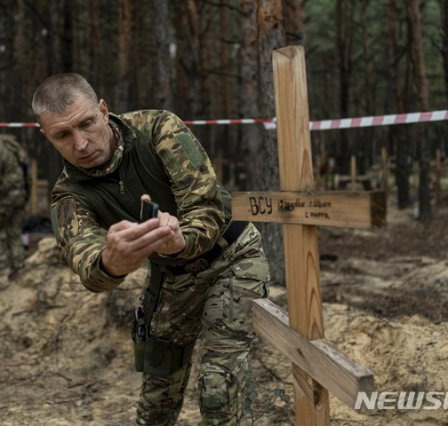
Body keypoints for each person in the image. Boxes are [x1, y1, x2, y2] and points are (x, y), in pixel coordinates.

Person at [33, 73, 270, 425]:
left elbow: (207, 207)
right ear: (45, 136)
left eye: (86, 124)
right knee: (157, 395)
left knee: (218, 386)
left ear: (103, 110)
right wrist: (109, 263)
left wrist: (181, 241)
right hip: (172, 276)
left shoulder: (158, 128)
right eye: (63, 136)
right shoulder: (68, 195)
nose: (81, 144)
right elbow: (85, 260)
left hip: (231, 256)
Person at [0, 130, 29, 277]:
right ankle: (19, 269)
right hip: (19, 197)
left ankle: (1, 268)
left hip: (4, 199)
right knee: (14, 234)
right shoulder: (15, 147)